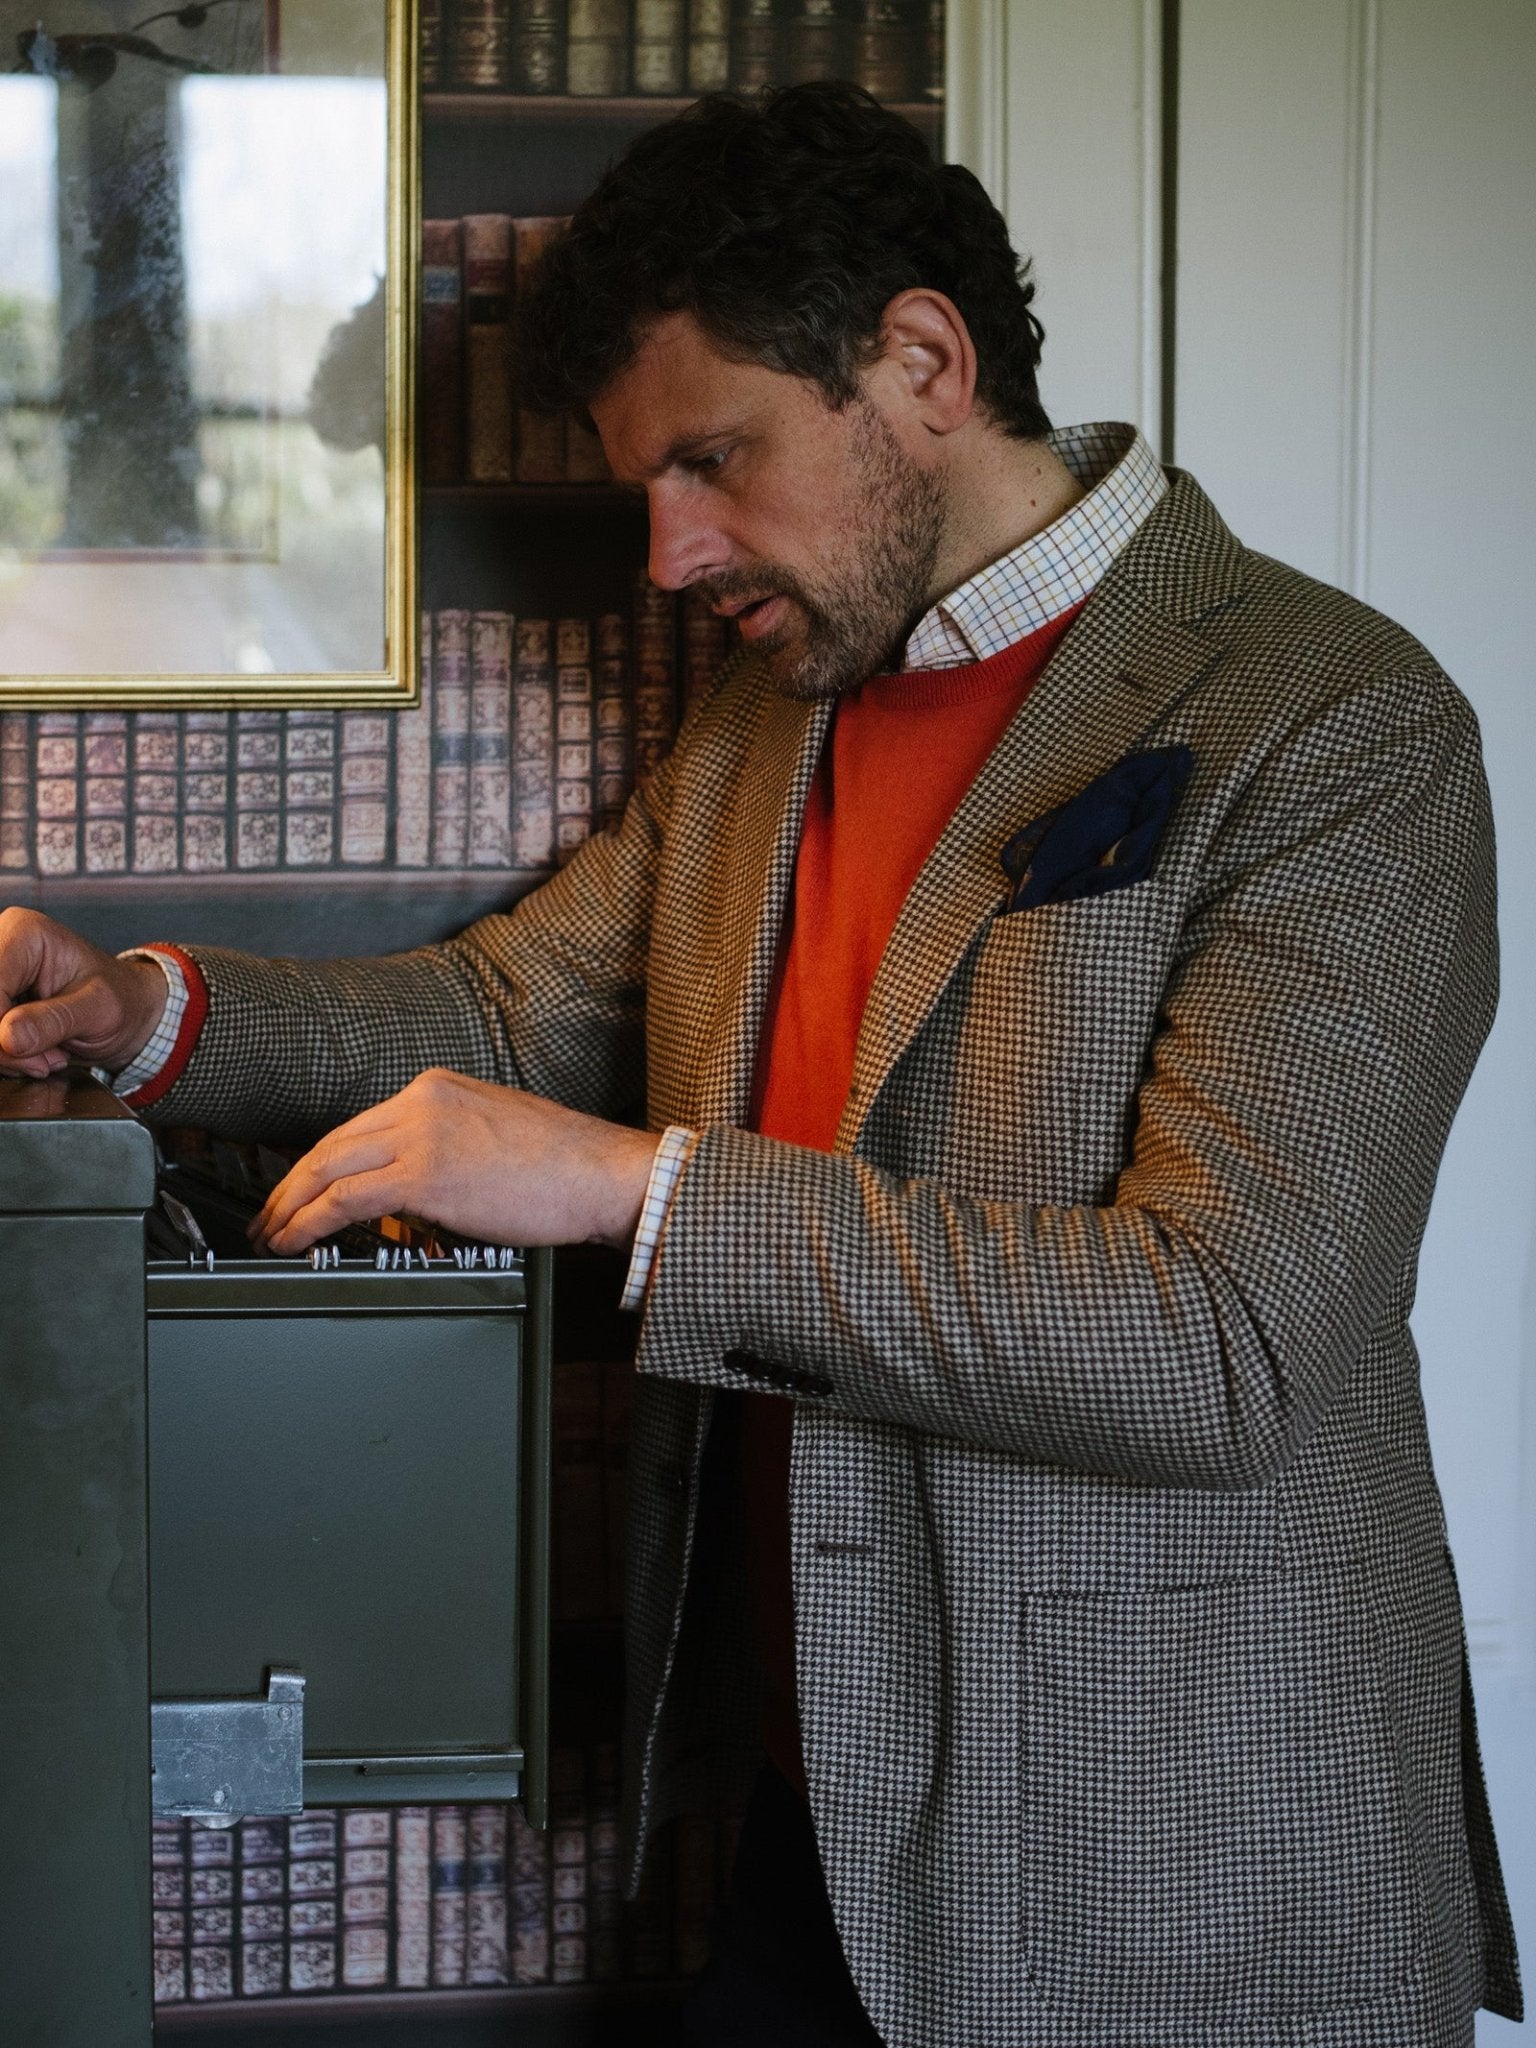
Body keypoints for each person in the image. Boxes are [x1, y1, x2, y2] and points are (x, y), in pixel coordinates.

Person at [0, 83, 1522, 2048]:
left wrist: (634, 1190)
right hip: (816, 1833)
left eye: (711, 459)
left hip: (1177, 1869)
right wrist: (141, 1013)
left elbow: (1212, 1338)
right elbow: (498, 1018)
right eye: (647, 483)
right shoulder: (772, 704)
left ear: (921, 360)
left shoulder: (1333, 725)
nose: (665, 549)